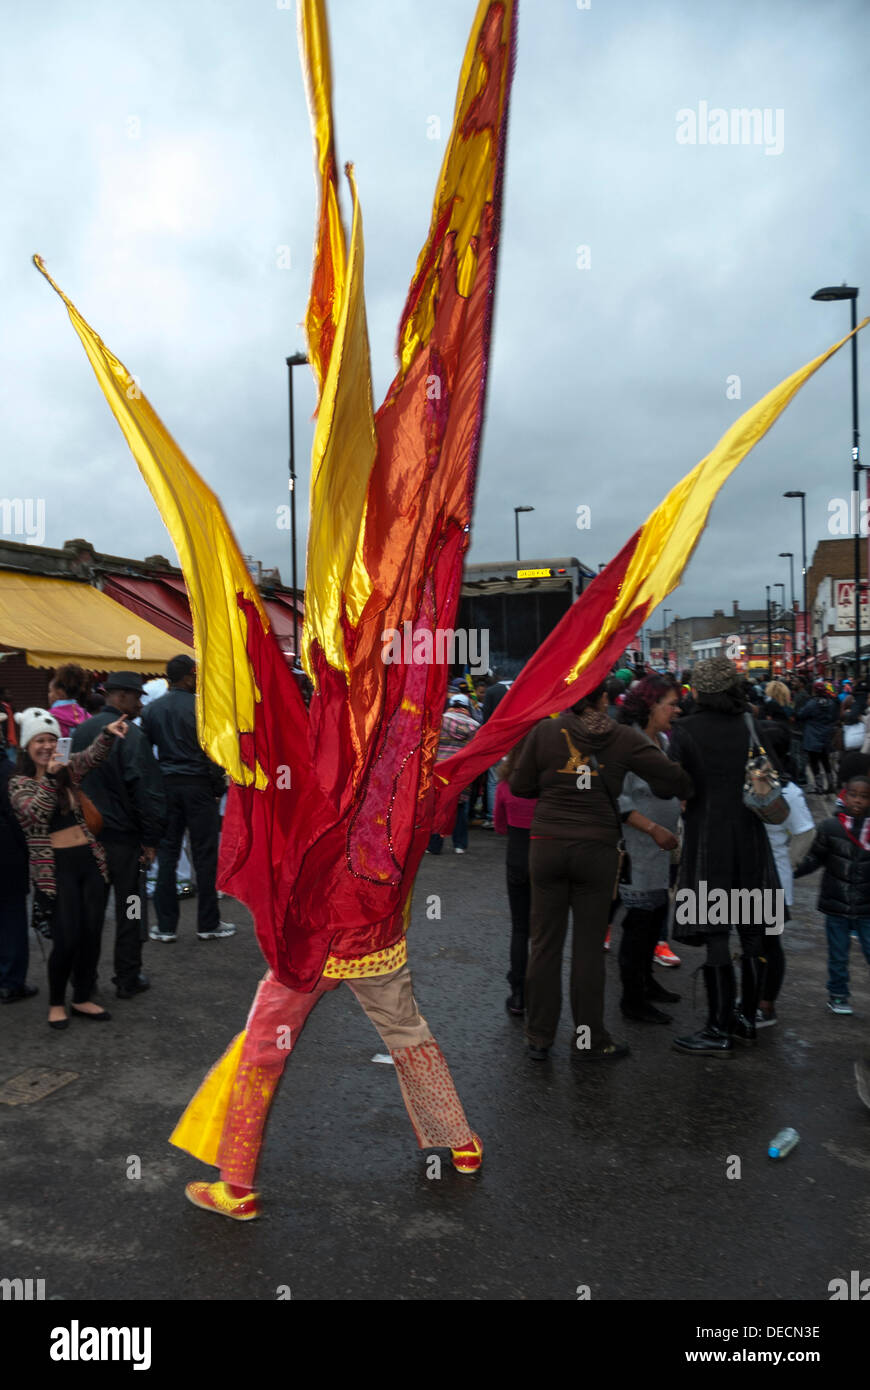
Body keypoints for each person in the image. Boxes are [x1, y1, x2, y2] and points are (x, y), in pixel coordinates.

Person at [510, 679, 692, 1062]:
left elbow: (521, 785)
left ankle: (539, 1037)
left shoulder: (545, 730)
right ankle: (589, 1039)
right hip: (597, 850)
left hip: (547, 846)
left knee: (544, 944)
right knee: (588, 949)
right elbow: (676, 780)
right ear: (604, 699)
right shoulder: (623, 737)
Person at [668, 658, 784, 1056]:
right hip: (750, 838)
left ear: (698, 691)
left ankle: (716, 1029)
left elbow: (677, 784)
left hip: (709, 840)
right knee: (752, 934)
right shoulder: (750, 724)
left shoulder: (684, 730)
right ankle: (746, 1019)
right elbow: (771, 776)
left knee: (717, 934)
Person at [9, 707, 128, 1027]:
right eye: (39, 741)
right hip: (55, 870)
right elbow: (36, 814)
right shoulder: (18, 783)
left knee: (91, 933)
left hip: (89, 862)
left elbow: (91, 757)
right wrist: (49, 776)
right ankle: (56, 1002)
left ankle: (82, 997)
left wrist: (106, 735)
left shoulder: (67, 770)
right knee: (67, 937)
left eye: (51, 740)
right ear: (26, 746)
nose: (47, 747)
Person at [71, 672, 166, 999]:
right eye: (136, 696)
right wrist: (152, 838)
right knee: (132, 907)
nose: (140, 703)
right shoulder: (133, 736)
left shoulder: (81, 730)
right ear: (120, 696)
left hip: (86, 839)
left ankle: (84, 983)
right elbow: (147, 791)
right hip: (124, 841)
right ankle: (128, 976)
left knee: (90, 912)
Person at [141, 655, 234, 941]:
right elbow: (214, 753)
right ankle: (208, 923)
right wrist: (216, 786)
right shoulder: (203, 708)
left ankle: (166, 926)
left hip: (167, 785)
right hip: (198, 786)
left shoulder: (152, 710)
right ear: (188, 677)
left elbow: (145, 755)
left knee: (168, 853)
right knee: (204, 854)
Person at [616, 676, 684, 1024]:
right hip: (639, 849)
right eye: (670, 703)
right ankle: (632, 999)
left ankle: (647, 982)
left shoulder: (663, 740)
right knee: (639, 926)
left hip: (661, 851)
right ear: (651, 704)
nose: (676, 709)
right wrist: (654, 828)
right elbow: (619, 800)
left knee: (656, 917)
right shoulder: (629, 744)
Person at [754, 721, 815, 1027]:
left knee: (768, 944)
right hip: (751, 877)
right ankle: (754, 998)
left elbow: (805, 833)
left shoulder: (788, 792)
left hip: (773, 881)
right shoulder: (753, 783)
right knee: (755, 943)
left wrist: (788, 865)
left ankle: (766, 1006)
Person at [794, 774, 870, 1016]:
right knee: (838, 954)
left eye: (864, 797)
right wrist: (790, 872)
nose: (858, 801)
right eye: (853, 795)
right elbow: (815, 858)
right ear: (844, 796)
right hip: (836, 905)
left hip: (867, 907)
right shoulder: (831, 827)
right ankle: (838, 995)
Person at [493, 736, 535, 1016]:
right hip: (546, 857)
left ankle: (518, 993)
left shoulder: (506, 785)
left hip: (517, 859)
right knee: (546, 932)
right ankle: (541, 991)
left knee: (520, 929)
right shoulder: (549, 784)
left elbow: (499, 826)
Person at [0, 749, 35, 1003]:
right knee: (12, 918)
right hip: (7, 853)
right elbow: (19, 816)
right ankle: (11, 982)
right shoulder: (8, 770)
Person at [426, 693, 479, 855]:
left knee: (439, 806)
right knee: (460, 807)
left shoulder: (440, 720)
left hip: (441, 770)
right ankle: (460, 845)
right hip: (461, 772)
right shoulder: (476, 726)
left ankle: (434, 845)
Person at [798, 679, 838, 793]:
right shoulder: (831, 703)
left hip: (813, 737)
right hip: (826, 736)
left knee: (814, 762)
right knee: (825, 761)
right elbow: (834, 717)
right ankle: (831, 785)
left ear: (814, 691)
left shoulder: (812, 703)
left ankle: (819, 787)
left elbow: (801, 715)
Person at [48, 663, 90, 738]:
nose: (49, 695)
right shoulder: (87, 716)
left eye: (50, 691)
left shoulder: (48, 718)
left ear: (60, 692)